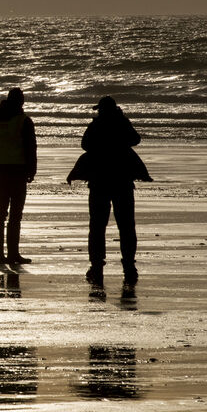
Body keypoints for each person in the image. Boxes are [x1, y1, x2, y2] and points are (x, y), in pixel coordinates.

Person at [78, 95, 148, 287]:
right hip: (122, 180)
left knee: (97, 226)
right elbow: (136, 139)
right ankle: (129, 266)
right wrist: (122, 123)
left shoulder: (97, 125)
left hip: (99, 181)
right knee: (126, 225)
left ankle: (97, 266)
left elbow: (84, 145)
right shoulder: (121, 124)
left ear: (101, 110)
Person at [0, 87, 37, 266]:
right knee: (15, 214)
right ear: (21, 102)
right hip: (18, 171)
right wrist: (32, 170)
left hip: (1, 171)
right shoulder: (24, 121)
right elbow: (31, 148)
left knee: (0, 212)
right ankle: (13, 253)